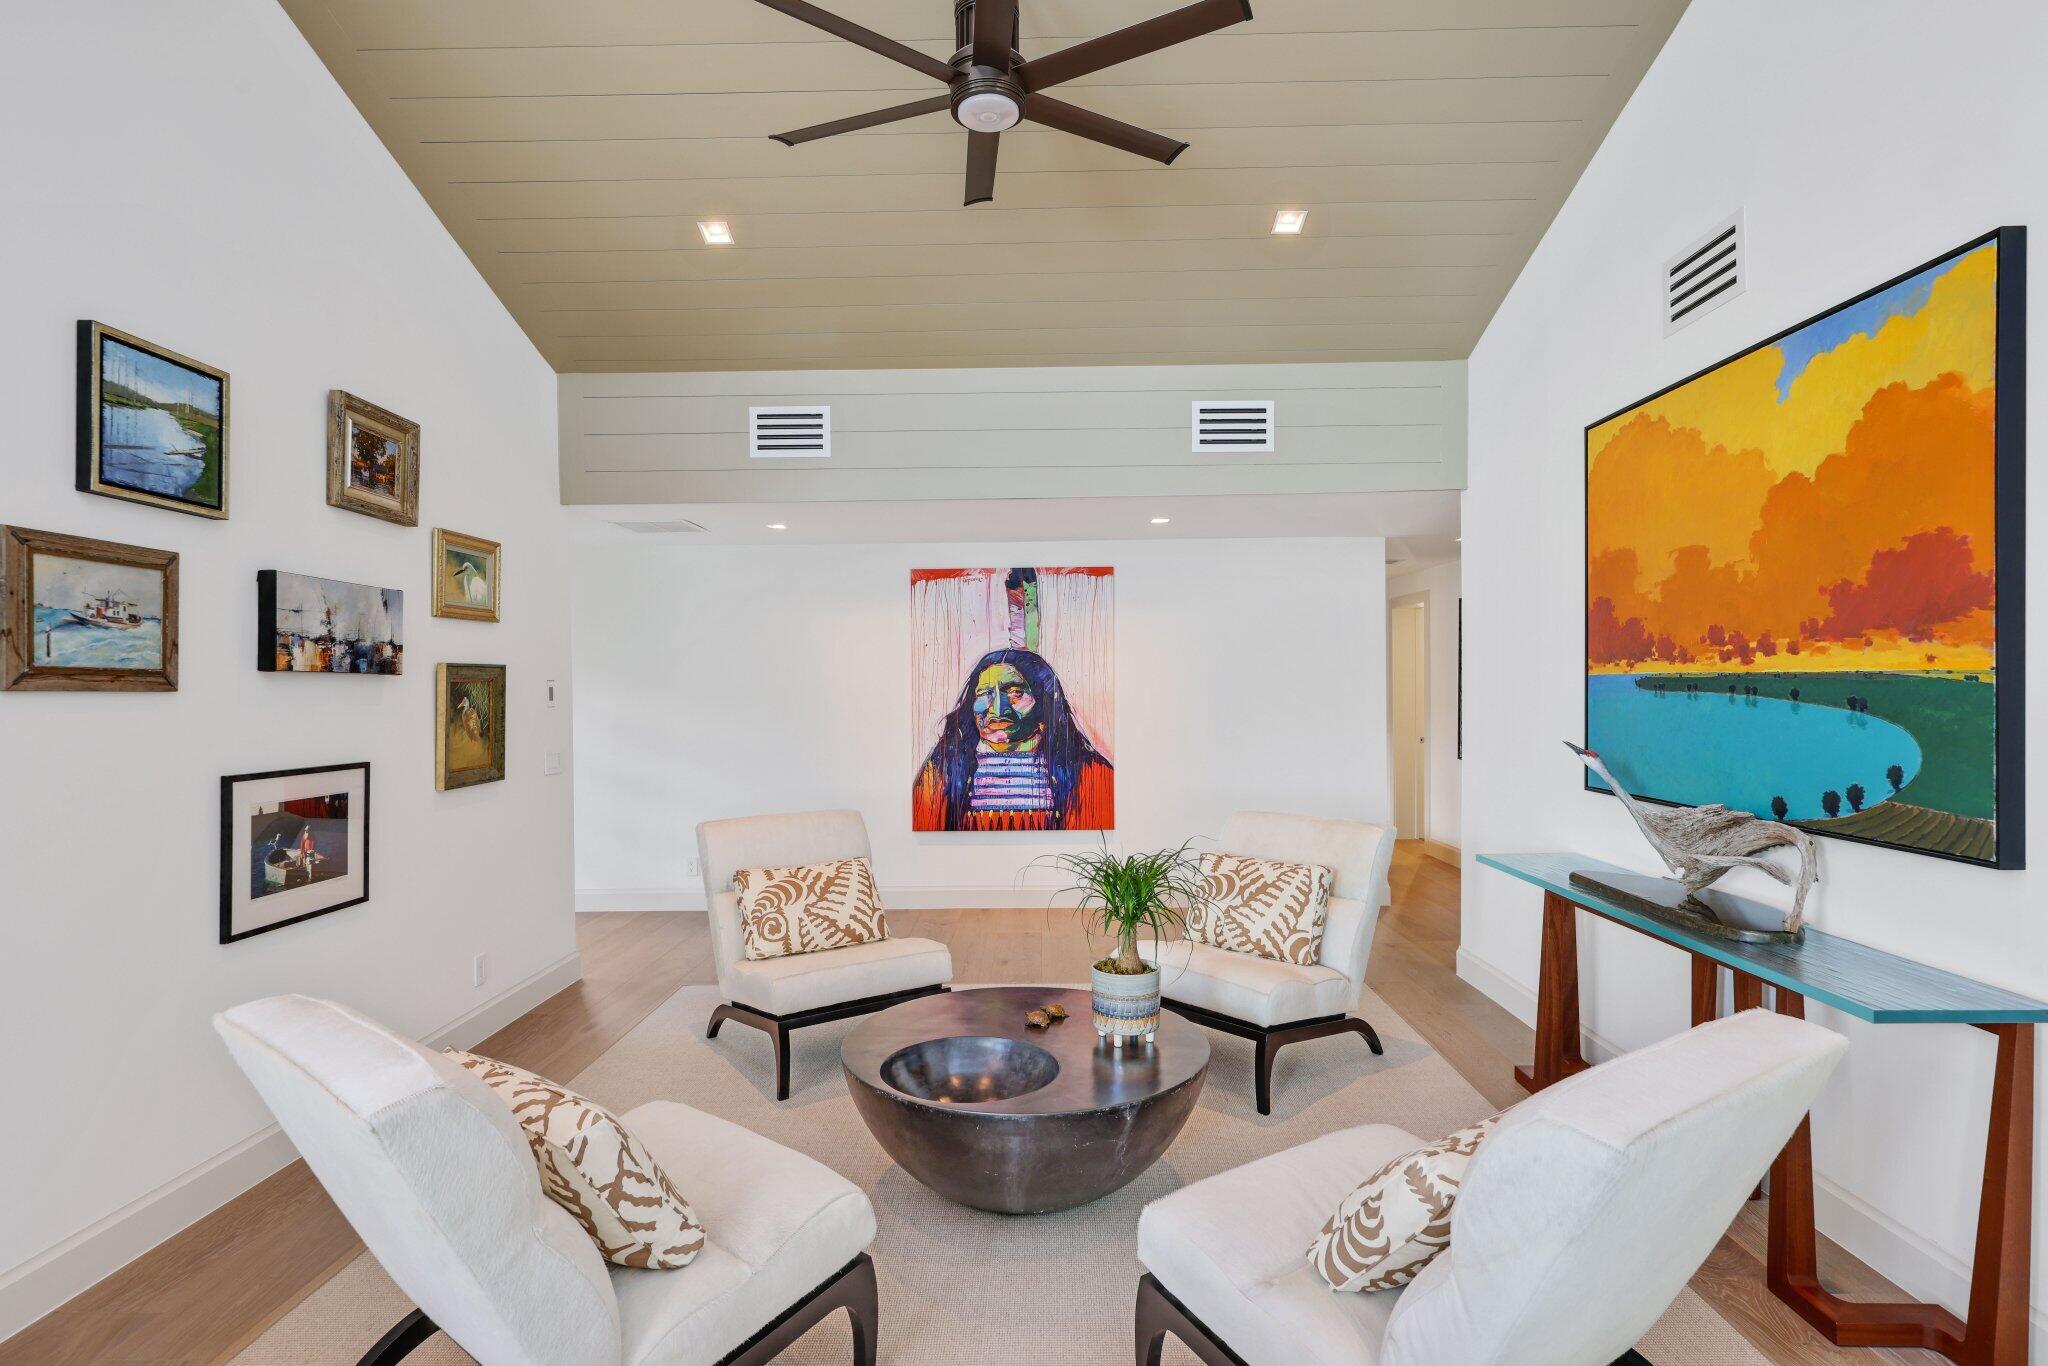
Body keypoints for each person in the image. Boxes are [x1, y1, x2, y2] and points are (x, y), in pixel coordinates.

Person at [912, 648, 1113, 832]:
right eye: (984, 693)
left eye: (1015, 692)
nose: (998, 709)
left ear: (1043, 702)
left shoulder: (1090, 772)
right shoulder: (941, 771)